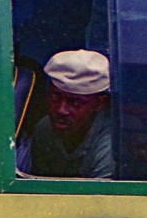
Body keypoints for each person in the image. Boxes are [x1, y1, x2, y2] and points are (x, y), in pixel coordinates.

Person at [25, 49, 113, 178]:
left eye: (76, 103)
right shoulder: (44, 129)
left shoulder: (111, 144)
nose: (61, 110)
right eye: (55, 98)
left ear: (99, 103)